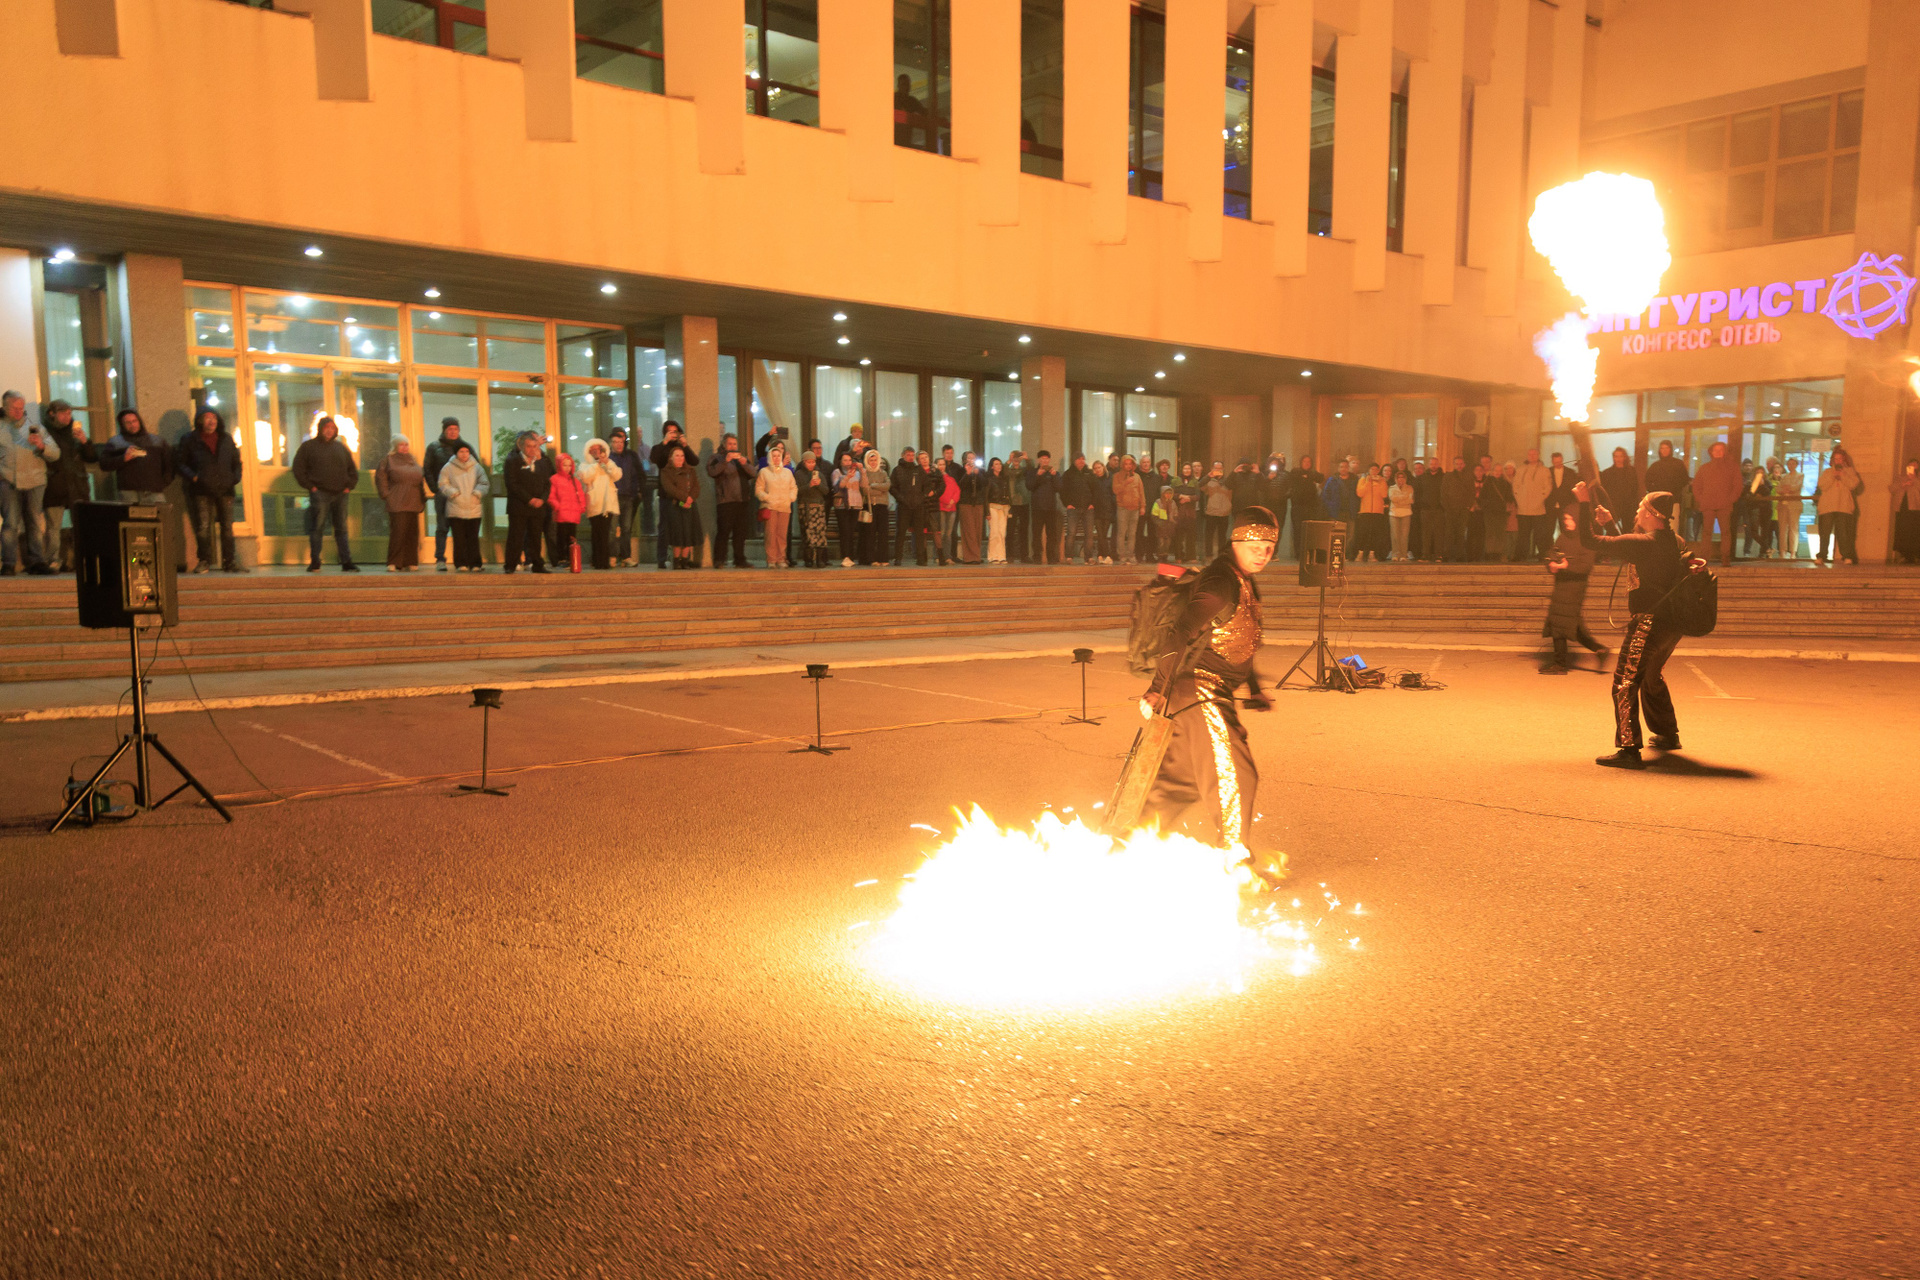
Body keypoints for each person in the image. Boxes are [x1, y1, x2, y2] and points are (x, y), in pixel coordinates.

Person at [1138, 505, 1282, 888]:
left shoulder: (1244, 580)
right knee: (1237, 774)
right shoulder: (1221, 582)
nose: (1263, 553)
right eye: (1254, 544)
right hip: (1200, 689)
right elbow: (1180, 632)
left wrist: (1255, 689)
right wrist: (1156, 688)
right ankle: (1236, 865)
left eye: (1269, 546)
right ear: (1235, 540)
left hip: (1207, 693)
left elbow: (1243, 641)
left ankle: (1125, 844)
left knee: (1178, 783)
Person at [1575, 483, 1708, 769]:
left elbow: (1590, 540)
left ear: (1650, 514)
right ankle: (1667, 734)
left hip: (1648, 623)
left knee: (1624, 682)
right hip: (1672, 625)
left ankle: (1628, 748)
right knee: (1650, 675)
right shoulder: (1675, 541)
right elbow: (1633, 547)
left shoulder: (1645, 544)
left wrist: (1584, 503)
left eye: (1640, 507)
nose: (1637, 510)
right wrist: (1610, 524)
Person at [1540, 509, 1609, 675]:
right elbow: (1552, 552)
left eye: (1570, 519)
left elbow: (1585, 567)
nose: (1567, 522)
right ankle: (1600, 650)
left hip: (1574, 588)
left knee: (1559, 622)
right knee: (1571, 624)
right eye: (1565, 519)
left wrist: (1565, 566)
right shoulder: (1563, 536)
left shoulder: (1587, 540)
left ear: (1578, 520)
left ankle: (1560, 664)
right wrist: (1551, 564)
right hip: (1561, 585)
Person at [0, 391, 59, 576]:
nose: (19, 412)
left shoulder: (36, 428)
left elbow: (56, 453)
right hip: (9, 482)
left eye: (21, 408)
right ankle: (8, 563)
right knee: (10, 524)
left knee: (34, 522)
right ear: (4, 407)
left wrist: (42, 446)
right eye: (14, 408)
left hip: (35, 482)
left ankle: (37, 562)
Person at [292, 416, 359, 573]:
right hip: (320, 493)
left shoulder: (341, 448)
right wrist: (311, 487)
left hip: (341, 494)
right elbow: (298, 469)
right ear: (320, 429)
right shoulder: (308, 447)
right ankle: (315, 561)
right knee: (317, 527)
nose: (329, 431)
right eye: (327, 427)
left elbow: (352, 469)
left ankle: (346, 562)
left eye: (332, 428)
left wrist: (349, 486)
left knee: (341, 528)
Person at [39, 399, 94, 572]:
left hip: (77, 485)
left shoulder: (75, 433)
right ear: (52, 414)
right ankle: (53, 560)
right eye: (63, 413)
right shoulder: (45, 433)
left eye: (69, 413)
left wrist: (85, 442)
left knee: (81, 526)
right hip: (55, 486)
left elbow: (92, 457)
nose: (67, 416)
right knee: (53, 527)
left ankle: (82, 561)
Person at [422, 417, 473, 572]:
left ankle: (463, 561)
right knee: (442, 527)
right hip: (443, 494)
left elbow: (475, 468)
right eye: (450, 429)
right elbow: (427, 469)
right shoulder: (434, 447)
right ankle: (440, 559)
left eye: (455, 429)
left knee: (461, 529)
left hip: (462, 495)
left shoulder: (465, 447)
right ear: (444, 430)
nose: (453, 432)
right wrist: (435, 489)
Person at [374, 436, 429, 572]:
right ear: (395, 446)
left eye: (406, 444)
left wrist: (422, 497)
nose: (404, 447)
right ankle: (394, 562)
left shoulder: (412, 459)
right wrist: (386, 495)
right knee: (398, 532)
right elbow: (381, 478)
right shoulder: (388, 460)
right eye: (401, 445)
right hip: (397, 501)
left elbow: (419, 480)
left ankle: (410, 561)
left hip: (413, 501)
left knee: (412, 532)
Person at [503, 430, 554, 574]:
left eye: (535, 446)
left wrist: (542, 499)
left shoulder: (542, 462)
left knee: (535, 537)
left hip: (538, 507)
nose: (532, 449)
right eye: (529, 446)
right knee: (516, 536)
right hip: (519, 506)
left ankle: (537, 564)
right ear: (521, 446)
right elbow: (512, 484)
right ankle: (510, 565)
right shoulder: (513, 460)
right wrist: (529, 499)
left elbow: (548, 483)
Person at [98, 408, 173, 506]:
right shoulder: (116, 442)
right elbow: (104, 464)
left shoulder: (157, 441)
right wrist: (123, 459)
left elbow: (169, 463)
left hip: (154, 491)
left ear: (139, 421)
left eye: (134, 421)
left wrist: (163, 483)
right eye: (128, 423)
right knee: (129, 516)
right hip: (128, 492)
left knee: (159, 515)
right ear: (122, 425)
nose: (132, 425)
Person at [706, 432, 758, 569]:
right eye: (730, 444)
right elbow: (712, 472)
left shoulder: (742, 458)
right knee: (723, 531)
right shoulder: (716, 458)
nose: (733, 446)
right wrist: (725, 461)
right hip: (726, 501)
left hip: (742, 501)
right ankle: (719, 559)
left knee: (740, 533)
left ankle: (739, 560)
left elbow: (753, 473)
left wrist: (745, 464)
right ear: (724, 445)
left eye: (734, 444)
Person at [436, 443, 489, 572]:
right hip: (456, 507)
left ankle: (475, 563)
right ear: (456, 453)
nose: (464, 454)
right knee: (459, 538)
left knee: (473, 537)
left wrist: (477, 493)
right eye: (461, 451)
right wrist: (453, 493)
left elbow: (484, 483)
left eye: (466, 451)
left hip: (473, 507)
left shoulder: (477, 467)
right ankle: (461, 563)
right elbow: (442, 483)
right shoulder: (448, 467)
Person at [1690, 440, 1742, 567]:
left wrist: (1730, 499)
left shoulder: (1732, 467)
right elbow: (1696, 486)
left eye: (1720, 450)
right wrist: (1702, 499)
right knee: (1707, 532)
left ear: (1724, 452)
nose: (1718, 452)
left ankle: (1725, 557)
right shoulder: (1704, 468)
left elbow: (1738, 485)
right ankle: (1704, 558)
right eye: (1715, 450)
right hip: (1708, 504)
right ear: (1711, 452)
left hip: (1724, 505)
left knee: (1725, 532)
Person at [649, 420, 690, 568]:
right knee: (664, 527)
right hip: (666, 495)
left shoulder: (681, 448)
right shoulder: (660, 447)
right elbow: (654, 459)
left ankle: (682, 559)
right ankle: (661, 558)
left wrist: (685, 445)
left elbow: (693, 462)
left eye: (675, 431)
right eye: (670, 431)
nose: (673, 434)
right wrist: (664, 442)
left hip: (683, 496)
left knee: (683, 527)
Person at [1814, 447, 1864, 566]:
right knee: (1824, 533)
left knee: (1843, 533)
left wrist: (1842, 475)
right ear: (1832, 460)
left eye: (1840, 459)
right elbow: (1822, 485)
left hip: (1843, 506)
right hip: (1827, 507)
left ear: (1844, 460)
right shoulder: (1827, 472)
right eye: (1835, 459)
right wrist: (1833, 476)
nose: (1838, 461)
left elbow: (1853, 485)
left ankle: (1847, 556)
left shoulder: (1850, 471)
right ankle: (1822, 556)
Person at [580, 437, 624, 570]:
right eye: (592, 450)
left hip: (607, 504)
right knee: (596, 532)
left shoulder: (609, 463)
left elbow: (617, 475)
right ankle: (597, 560)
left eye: (598, 449)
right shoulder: (585, 465)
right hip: (594, 503)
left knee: (605, 533)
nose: (596, 452)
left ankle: (604, 561)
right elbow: (585, 478)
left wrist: (607, 463)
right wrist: (596, 465)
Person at [658, 443, 703, 569]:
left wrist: (691, 498)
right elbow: (669, 488)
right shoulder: (666, 471)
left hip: (690, 506)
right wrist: (685, 498)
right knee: (677, 533)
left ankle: (685, 560)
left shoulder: (690, 471)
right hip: (675, 506)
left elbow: (696, 487)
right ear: (671, 458)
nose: (680, 458)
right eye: (677, 456)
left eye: (682, 456)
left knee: (689, 533)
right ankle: (677, 560)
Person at [754, 440, 796, 568]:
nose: (776, 458)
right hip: (770, 506)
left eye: (779, 456)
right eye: (774, 456)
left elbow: (793, 487)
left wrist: (790, 498)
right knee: (771, 535)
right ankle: (771, 559)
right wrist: (766, 497)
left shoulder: (787, 472)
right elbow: (758, 489)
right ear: (770, 457)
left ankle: (781, 558)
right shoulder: (764, 472)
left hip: (784, 507)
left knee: (782, 535)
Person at [607, 427, 644, 566]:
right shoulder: (608, 458)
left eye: (621, 442)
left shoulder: (630, 457)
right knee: (612, 529)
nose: (619, 444)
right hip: (613, 497)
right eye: (615, 442)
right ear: (611, 443)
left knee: (626, 529)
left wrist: (637, 492)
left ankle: (626, 557)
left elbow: (636, 475)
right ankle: (612, 555)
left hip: (628, 497)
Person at [546, 452, 589, 571]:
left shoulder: (575, 481)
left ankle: (571, 558)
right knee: (561, 537)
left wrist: (582, 507)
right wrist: (557, 506)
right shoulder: (554, 479)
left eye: (570, 465)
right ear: (559, 465)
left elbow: (580, 495)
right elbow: (551, 496)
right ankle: (562, 558)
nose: (567, 468)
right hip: (561, 514)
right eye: (564, 465)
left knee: (571, 537)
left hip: (573, 513)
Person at [792, 450, 831, 568]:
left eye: (813, 462)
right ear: (804, 462)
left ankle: (819, 559)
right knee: (808, 533)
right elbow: (797, 491)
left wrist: (818, 484)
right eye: (808, 462)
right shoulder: (799, 474)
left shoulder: (819, 474)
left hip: (819, 507)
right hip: (806, 507)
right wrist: (809, 485)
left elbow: (826, 491)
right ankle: (808, 558)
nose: (811, 464)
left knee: (820, 533)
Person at [889, 447, 927, 566]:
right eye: (908, 455)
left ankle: (920, 558)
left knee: (919, 533)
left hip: (918, 506)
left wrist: (921, 498)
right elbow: (892, 487)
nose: (911, 457)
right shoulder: (897, 470)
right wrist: (901, 499)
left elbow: (927, 485)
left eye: (912, 455)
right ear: (903, 455)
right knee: (900, 532)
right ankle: (898, 558)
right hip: (903, 506)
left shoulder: (918, 469)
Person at [1510, 448, 1550, 561]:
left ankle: (1542, 555)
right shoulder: (1520, 470)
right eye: (1530, 454)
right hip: (1523, 509)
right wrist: (1520, 500)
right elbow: (1515, 486)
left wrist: (1539, 500)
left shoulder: (1544, 470)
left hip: (1538, 509)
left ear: (1538, 455)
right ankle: (1520, 556)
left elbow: (1547, 488)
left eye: (1534, 454)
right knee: (1523, 534)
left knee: (1540, 534)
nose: (1532, 456)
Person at [1024, 450, 1063, 564]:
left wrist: (1054, 476)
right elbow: (1029, 486)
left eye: (1047, 459)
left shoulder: (1054, 473)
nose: (1045, 461)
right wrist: (1038, 475)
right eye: (1042, 459)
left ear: (1049, 460)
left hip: (1051, 508)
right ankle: (1037, 556)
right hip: (1037, 508)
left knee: (1052, 534)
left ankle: (1051, 557)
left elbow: (1059, 488)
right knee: (1036, 534)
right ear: (1038, 460)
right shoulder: (1032, 472)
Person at [1059, 452, 1096, 564]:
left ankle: (1088, 557)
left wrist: (1092, 503)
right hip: (1073, 508)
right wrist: (1067, 504)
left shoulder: (1089, 473)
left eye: (1083, 459)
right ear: (1074, 460)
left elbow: (1095, 489)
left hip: (1088, 508)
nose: (1081, 461)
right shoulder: (1068, 474)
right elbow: (1062, 490)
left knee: (1089, 533)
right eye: (1079, 459)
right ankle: (1069, 557)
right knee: (1071, 533)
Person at [859, 447, 892, 565]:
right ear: (867, 461)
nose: (873, 462)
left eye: (875, 460)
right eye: (871, 460)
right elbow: (865, 490)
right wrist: (879, 489)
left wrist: (873, 485)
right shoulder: (864, 473)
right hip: (869, 506)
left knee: (883, 533)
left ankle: (883, 558)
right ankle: (871, 558)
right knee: (870, 533)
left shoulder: (883, 473)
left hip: (882, 506)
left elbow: (887, 486)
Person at [1644, 441, 1690, 524]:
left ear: (1670, 449)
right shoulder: (1655, 466)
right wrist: (1655, 492)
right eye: (1662, 448)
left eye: (1666, 448)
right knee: (1659, 524)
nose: (1664, 450)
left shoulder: (1678, 464)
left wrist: (1674, 489)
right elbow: (1647, 482)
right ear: (1659, 450)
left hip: (1674, 500)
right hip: (1658, 501)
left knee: (1673, 524)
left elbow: (1684, 480)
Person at [1596, 447, 1641, 533]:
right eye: (1616, 456)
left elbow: (1635, 489)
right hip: (1614, 506)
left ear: (1624, 457)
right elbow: (1603, 491)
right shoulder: (1607, 473)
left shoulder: (1631, 471)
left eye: (1620, 456)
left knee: (1629, 530)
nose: (1618, 459)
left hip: (1628, 507)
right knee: (1611, 530)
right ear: (1613, 457)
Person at [1318, 460, 1356, 560]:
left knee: (1350, 535)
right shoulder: (1332, 480)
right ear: (1338, 468)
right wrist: (1331, 507)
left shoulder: (1354, 480)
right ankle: (1335, 555)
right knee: (1336, 535)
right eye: (1341, 467)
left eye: (1345, 467)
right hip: (1336, 512)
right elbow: (1325, 496)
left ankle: (1345, 554)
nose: (1344, 469)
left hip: (1350, 511)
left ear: (1348, 468)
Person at [1440, 457, 1475, 561]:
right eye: (1457, 464)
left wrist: (1468, 506)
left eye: (1461, 464)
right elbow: (1443, 492)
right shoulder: (1448, 476)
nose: (1459, 466)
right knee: (1449, 532)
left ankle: (1460, 555)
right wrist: (1446, 507)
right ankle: (1447, 555)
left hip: (1463, 509)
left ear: (1464, 464)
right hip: (1450, 509)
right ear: (1453, 465)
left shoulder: (1468, 477)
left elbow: (1472, 492)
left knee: (1461, 533)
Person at [1111, 456, 1144, 564]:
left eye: (1130, 464)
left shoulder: (1137, 477)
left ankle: (1130, 554)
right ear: (1122, 464)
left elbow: (1141, 493)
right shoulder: (1116, 476)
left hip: (1135, 509)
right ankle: (1122, 555)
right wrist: (1125, 482)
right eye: (1126, 464)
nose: (1128, 466)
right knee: (1121, 533)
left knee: (1132, 533)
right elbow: (1115, 490)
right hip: (1123, 508)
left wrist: (1142, 506)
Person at [1353, 463, 1388, 563]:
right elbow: (1360, 493)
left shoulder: (1382, 481)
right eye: (1372, 469)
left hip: (1378, 512)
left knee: (1375, 534)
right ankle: (1361, 553)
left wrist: (1379, 483)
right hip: (1365, 511)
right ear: (1369, 470)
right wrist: (1368, 482)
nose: (1374, 471)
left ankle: (1373, 554)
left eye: (1376, 470)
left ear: (1378, 471)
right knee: (1364, 533)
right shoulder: (1363, 480)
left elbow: (1384, 494)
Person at [1199, 462, 1234, 561]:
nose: (1218, 470)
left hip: (1224, 512)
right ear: (1212, 468)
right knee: (1209, 535)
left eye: (1220, 468)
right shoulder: (1209, 481)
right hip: (1211, 512)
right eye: (1216, 468)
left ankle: (1221, 555)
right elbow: (1199, 485)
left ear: (1223, 469)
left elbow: (1233, 492)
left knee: (1222, 536)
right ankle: (1208, 555)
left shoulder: (1228, 481)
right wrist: (1208, 476)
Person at [1773, 457, 1805, 559]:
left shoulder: (1800, 475)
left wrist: (1787, 488)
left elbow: (1796, 487)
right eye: (1789, 464)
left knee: (1793, 529)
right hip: (1783, 505)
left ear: (1796, 465)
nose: (1791, 466)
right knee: (1782, 529)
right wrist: (1786, 489)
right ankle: (1782, 551)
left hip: (1794, 505)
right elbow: (1778, 489)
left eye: (1793, 464)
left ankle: (1793, 552)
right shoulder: (1783, 476)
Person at [958, 453, 988, 563]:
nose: (972, 460)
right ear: (965, 460)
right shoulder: (961, 470)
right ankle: (970, 557)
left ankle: (976, 556)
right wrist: (967, 473)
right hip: (965, 503)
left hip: (978, 503)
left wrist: (977, 473)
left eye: (973, 458)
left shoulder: (980, 470)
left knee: (977, 530)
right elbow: (960, 486)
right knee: (969, 530)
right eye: (969, 458)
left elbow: (984, 484)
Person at [1893, 459, 1920, 566]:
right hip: (1902, 508)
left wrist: (1914, 480)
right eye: (1910, 466)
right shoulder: (1900, 478)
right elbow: (1891, 488)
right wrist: (1902, 484)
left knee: (1914, 531)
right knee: (1902, 531)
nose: (1912, 468)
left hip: (1915, 508)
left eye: (1915, 466)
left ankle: (1916, 555)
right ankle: (1905, 555)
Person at [986, 456, 1012, 563]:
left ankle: (1001, 555)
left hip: (1004, 507)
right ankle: (992, 556)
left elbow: (1008, 493)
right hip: (993, 506)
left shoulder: (1004, 479)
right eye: (996, 464)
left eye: (1000, 464)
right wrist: (986, 512)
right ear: (992, 467)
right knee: (994, 532)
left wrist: (1010, 507)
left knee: (1002, 532)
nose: (999, 466)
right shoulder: (989, 479)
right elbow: (986, 496)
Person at [1386, 464, 1414, 562]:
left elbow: (1410, 500)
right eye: (1399, 478)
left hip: (1406, 513)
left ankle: (1403, 554)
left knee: (1404, 535)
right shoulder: (1391, 488)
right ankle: (1395, 554)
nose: (1400, 479)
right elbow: (1393, 499)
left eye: (1402, 477)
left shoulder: (1409, 488)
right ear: (1396, 479)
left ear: (1405, 479)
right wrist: (1404, 497)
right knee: (1395, 535)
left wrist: (1400, 499)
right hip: (1394, 513)